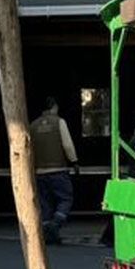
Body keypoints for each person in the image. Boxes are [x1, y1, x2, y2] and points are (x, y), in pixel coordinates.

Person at [30, 96, 78, 245]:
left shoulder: (32, 125)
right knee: (65, 198)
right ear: (54, 107)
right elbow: (67, 145)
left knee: (45, 203)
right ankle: (55, 224)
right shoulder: (59, 122)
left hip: (39, 172)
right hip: (58, 169)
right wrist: (74, 161)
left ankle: (47, 232)